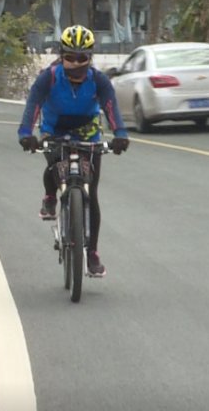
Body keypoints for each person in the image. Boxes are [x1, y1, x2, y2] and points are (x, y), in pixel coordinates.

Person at [18, 25, 130, 277]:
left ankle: (92, 253)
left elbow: (111, 107)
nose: (76, 63)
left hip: (88, 132)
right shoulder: (48, 77)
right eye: (70, 57)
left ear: (91, 58)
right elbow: (33, 104)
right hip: (54, 130)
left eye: (82, 58)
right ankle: (50, 196)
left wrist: (120, 134)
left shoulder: (99, 80)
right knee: (53, 167)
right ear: (61, 55)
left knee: (92, 194)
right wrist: (26, 134)